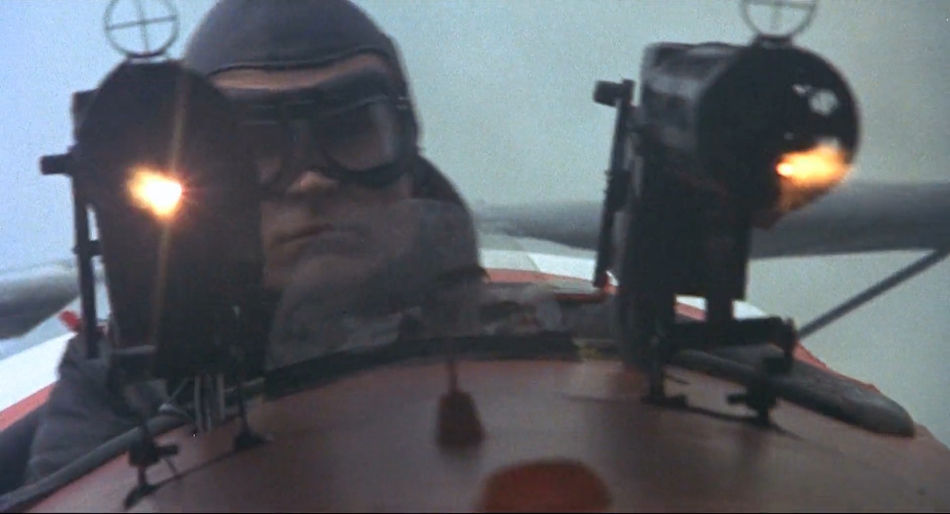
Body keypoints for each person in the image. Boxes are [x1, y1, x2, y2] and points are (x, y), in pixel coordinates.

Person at [7, 0, 485, 490]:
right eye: (258, 147)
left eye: (352, 128)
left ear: (405, 143)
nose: (312, 181)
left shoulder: (504, 328)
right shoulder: (123, 390)